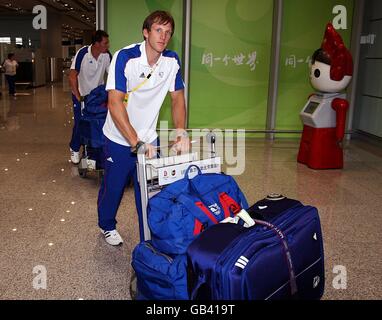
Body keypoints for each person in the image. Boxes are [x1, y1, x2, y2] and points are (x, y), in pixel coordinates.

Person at [98, 10, 189, 245]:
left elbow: (178, 98)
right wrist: (134, 141)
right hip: (119, 138)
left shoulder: (171, 61)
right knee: (114, 187)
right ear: (146, 32)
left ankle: (148, 235)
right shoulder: (125, 57)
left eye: (168, 32)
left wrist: (181, 131)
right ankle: (107, 225)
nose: (163, 36)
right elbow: (114, 101)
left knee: (149, 192)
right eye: (158, 30)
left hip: (149, 138)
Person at [68, 30, 111, 164]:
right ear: (97, 43)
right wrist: (78, 95)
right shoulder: (83, 53)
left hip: (97, 96)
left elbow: (113, 75)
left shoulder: (106, 55)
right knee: (80, 122)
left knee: (97, 122)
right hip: (81, 94)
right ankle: (74, 148)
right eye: (105, 43)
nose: (107, 45)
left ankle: (94, 152)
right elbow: (72, 75)